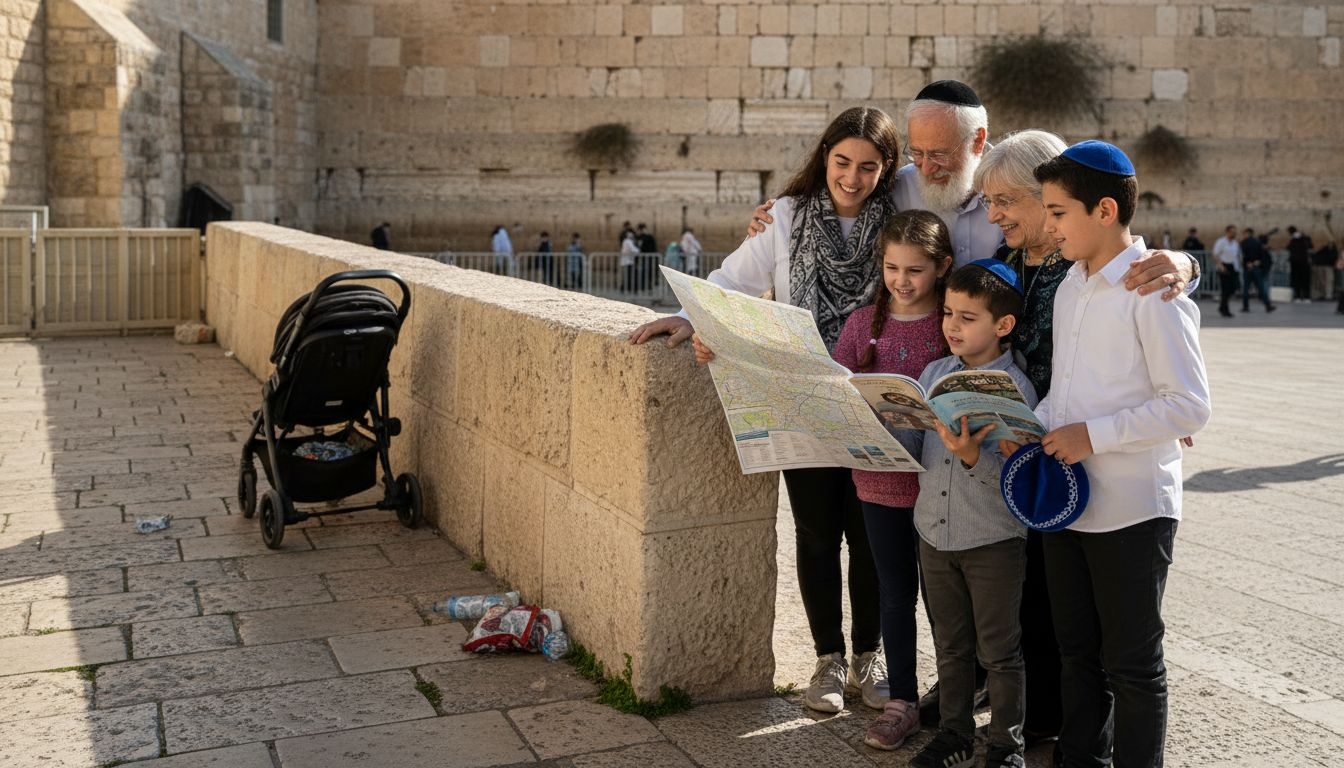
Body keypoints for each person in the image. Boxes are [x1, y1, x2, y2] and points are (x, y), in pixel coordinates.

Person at [628, 106, 905, 713]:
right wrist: (691, 316)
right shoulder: (785, 217)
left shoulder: (902, 224)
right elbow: (732, 282)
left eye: (867, 167)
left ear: (887, 172)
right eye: (841, 162)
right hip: (801, 401)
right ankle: (828, 663)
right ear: (823, 156)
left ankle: (869, 658)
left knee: (870, 539)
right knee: (815, 533)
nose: (852, 178)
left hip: (873, 410)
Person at [1013, 141, 1211, 768]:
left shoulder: (1153, 291)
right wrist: (1022, 422)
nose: (1049, 226)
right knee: (1078, 654)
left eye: (1058, 212)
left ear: (1103, 210)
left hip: (1131, 506)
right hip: (1069, 502)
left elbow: (1188, 406)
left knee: (1132, 665)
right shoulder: (1069, 286)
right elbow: (1068, 394)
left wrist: (1091, 437)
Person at [749, 82, 1199, 294]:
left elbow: (1103, 231)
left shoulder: (1022, 192)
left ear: (978, 141)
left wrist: (1184, 263)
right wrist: (774, 221)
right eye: (916, 153)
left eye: (939, 154)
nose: (925, 167)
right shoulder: (895, 191)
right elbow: (835, 203)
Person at [902, 260, 1037, 768]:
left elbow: (1018, 480)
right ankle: (954, 734)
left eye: (967, 318)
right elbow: (914, 447)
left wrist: (972, 456)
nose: (952, 326)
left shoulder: (1018, 391)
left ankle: (1006, 744)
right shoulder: (934, 374)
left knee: (999, 650)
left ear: (1002, 325)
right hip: (933, 533)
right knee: (950, 643)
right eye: (949, 314)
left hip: (993, 539)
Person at [830, 210, 953, 750]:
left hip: (943, 489)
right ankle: (901, 697)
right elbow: (834, 385)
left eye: (916, 270)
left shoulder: (952, 325)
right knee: (896, 595)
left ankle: (954, 698)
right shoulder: (864, 324)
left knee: (945, 599)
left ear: (942, 267)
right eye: (892, 268)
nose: (901, 281)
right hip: (878, 485)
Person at [1239, 228, 1275, 312]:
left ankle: (1245, 307)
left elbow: (1241, 255)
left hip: (1247, 268)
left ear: (1248, 233)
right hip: (1256, 267)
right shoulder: (1257, 242)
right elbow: (1262, 254)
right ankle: (1267, 305)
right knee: (1261, 288)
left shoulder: (1243, 243)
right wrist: (1257, 262)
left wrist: (1247, 263)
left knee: (1246, 288)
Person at [1212, 225, 1240, 318]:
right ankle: (1225, 309)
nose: (1234, 233)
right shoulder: (1221, 242)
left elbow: (1236, 256)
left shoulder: (1235, 243)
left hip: (1233, 267)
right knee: (1225, 289)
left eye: (1235, 232)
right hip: (1224, 266)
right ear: (1227, 232)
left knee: (1232, 288)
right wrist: (1220, 266)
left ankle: (1222, 307)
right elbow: (1215, 254)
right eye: (1232, 232)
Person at [1287, 225, 1313, 302]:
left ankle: (1299, 297)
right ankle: (1306, 297)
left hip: (1297, 263)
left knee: (1298, 280)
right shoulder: (1306, 240)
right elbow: (1311, 246)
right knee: (1304, 281)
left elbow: (1288, 247)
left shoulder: (1294, 241)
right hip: (1303, 263)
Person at [636, 223, 658, 290]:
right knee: (646, 273)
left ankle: (647, 286)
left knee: (647, 273)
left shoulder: (648, 237)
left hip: (648, 259)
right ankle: (646, 286)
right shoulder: (642, 237)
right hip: (645, 259)